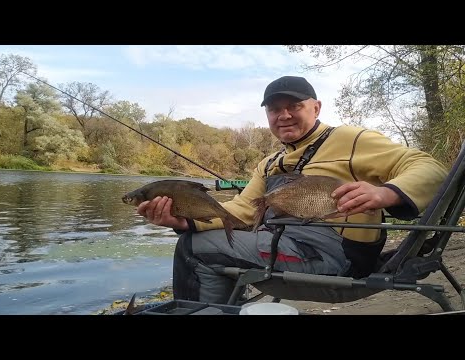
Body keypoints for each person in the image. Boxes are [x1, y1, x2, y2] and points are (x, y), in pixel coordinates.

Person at [137, 75, 448, 304]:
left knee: (193, 250)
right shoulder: (270, 162)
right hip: (283, 245)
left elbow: (430, 168)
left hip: (336, 259)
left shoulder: (350, 139)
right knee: (193, 236)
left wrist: (386, 193)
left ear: (316, 107)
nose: (283, 115)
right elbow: (244, 210)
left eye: (294, 106)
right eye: (274, 109)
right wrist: (184, 220)